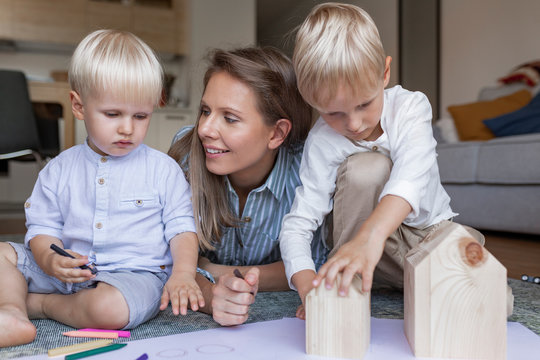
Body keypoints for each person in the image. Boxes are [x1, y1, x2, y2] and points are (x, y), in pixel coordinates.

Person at [279, 2, 487, 315]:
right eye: (333, 113)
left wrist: (371, 238)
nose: (353, 124)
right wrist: (309, 288)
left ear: (385, 73)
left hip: (426, 236)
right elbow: (298, 224)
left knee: (491, 299)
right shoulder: (322, 141)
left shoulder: (411, 108)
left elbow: (410, 179)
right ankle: (349, 279)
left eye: (364, 104)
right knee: (368, 168)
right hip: (362, 243)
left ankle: (406, 278)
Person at [0, 29, 203, 347]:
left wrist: (183, 274)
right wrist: (50, 260)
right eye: (112, 114)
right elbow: (42, 229)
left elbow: (181, 229)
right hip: (63, 272)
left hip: (132, 277)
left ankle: (35, 305)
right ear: (78, 106)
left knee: (108, 310)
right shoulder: (58, 169)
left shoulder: (164, 170)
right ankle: (10, 313)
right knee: (2, 254)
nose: (127, 128)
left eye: (140, 115)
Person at [168, 46, 328, 326]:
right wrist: (209, 290)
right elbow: (161, 256)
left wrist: (213, 269)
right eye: (205, 111)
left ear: (277, 133)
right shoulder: (185, 155)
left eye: (230, 118)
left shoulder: (307, 171)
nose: (205, 129)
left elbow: (315, 263)